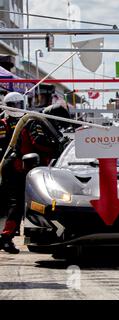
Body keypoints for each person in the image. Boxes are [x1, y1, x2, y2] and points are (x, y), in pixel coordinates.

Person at [0, 103, 71, 254]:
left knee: (26, 204)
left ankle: (22, 236)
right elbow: (38, 142)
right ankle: (6, 238)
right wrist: (57, 146)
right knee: (17, 204)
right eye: (59, 122)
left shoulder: (47, 126)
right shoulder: (36, 122)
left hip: (27, 169)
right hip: (16, 168)